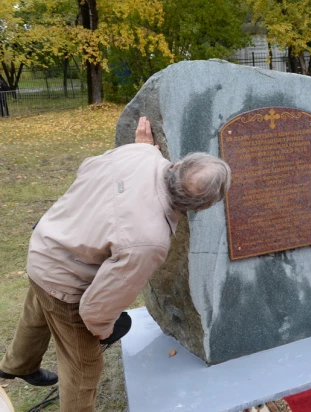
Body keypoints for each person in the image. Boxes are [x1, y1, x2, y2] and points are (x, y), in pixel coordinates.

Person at [0, 117, 232, 411]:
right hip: (64, 280)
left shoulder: (139, 154)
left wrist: (143, 148)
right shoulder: (150, 241)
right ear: (198, 208)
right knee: (83, 368)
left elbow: (89, 167)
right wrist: (102, 329)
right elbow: (96, 308)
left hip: (45, 247)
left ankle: (17, 364)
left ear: (176, 165)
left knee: (37, 311)